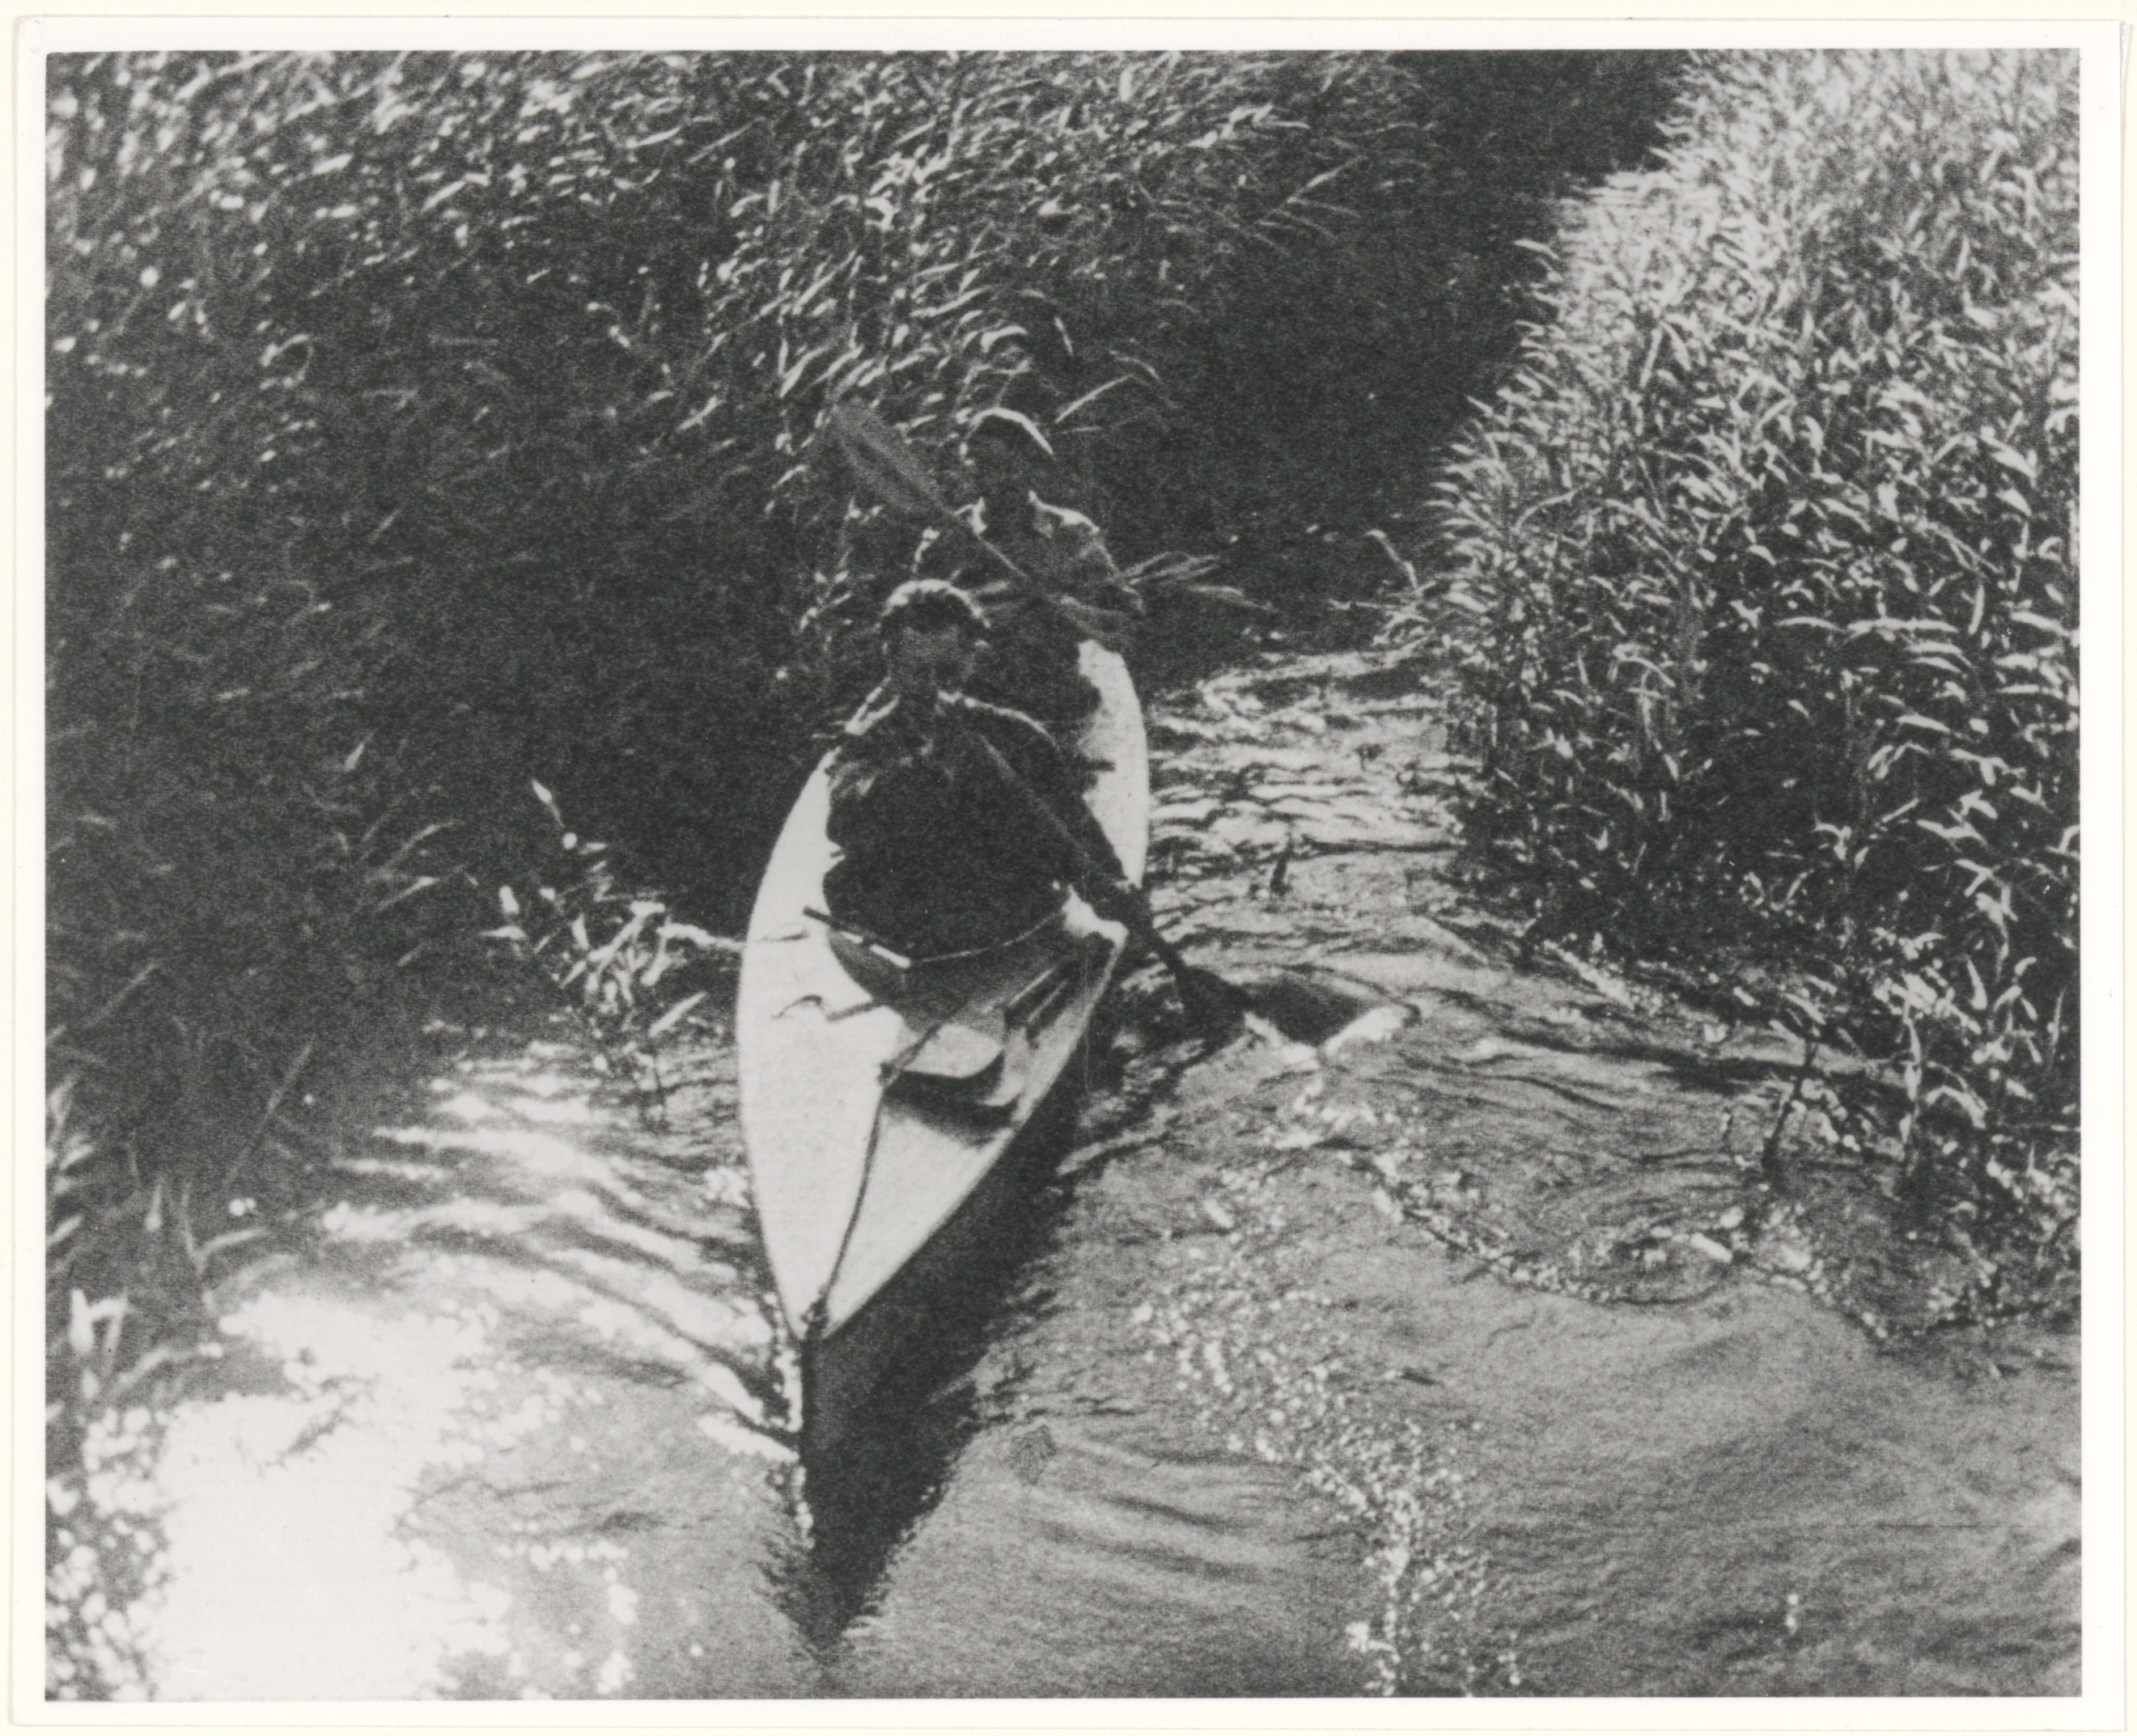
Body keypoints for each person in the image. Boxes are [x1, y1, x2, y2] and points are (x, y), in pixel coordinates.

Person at [821, 579, 1138, 960]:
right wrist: (925, 772)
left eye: (948, 672)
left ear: (973, 658)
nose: (934, 689)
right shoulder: (868, 744)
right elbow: (845, 825)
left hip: (1003, 914)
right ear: (893, 667)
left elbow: (1074, 822)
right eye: (918, 672)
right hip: (909, 918)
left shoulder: (1018, 734)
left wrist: (1113, 882)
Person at [959, 413, 1143, 730]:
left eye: (993, 462)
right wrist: (980, 614)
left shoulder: (1070, 531)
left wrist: (1068, 609)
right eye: (972, 461)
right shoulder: (949, 538)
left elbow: (1127, 618)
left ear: (1025, 467)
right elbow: (921, 624)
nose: (979, 472)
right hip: (979, 706)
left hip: (1060, 702)